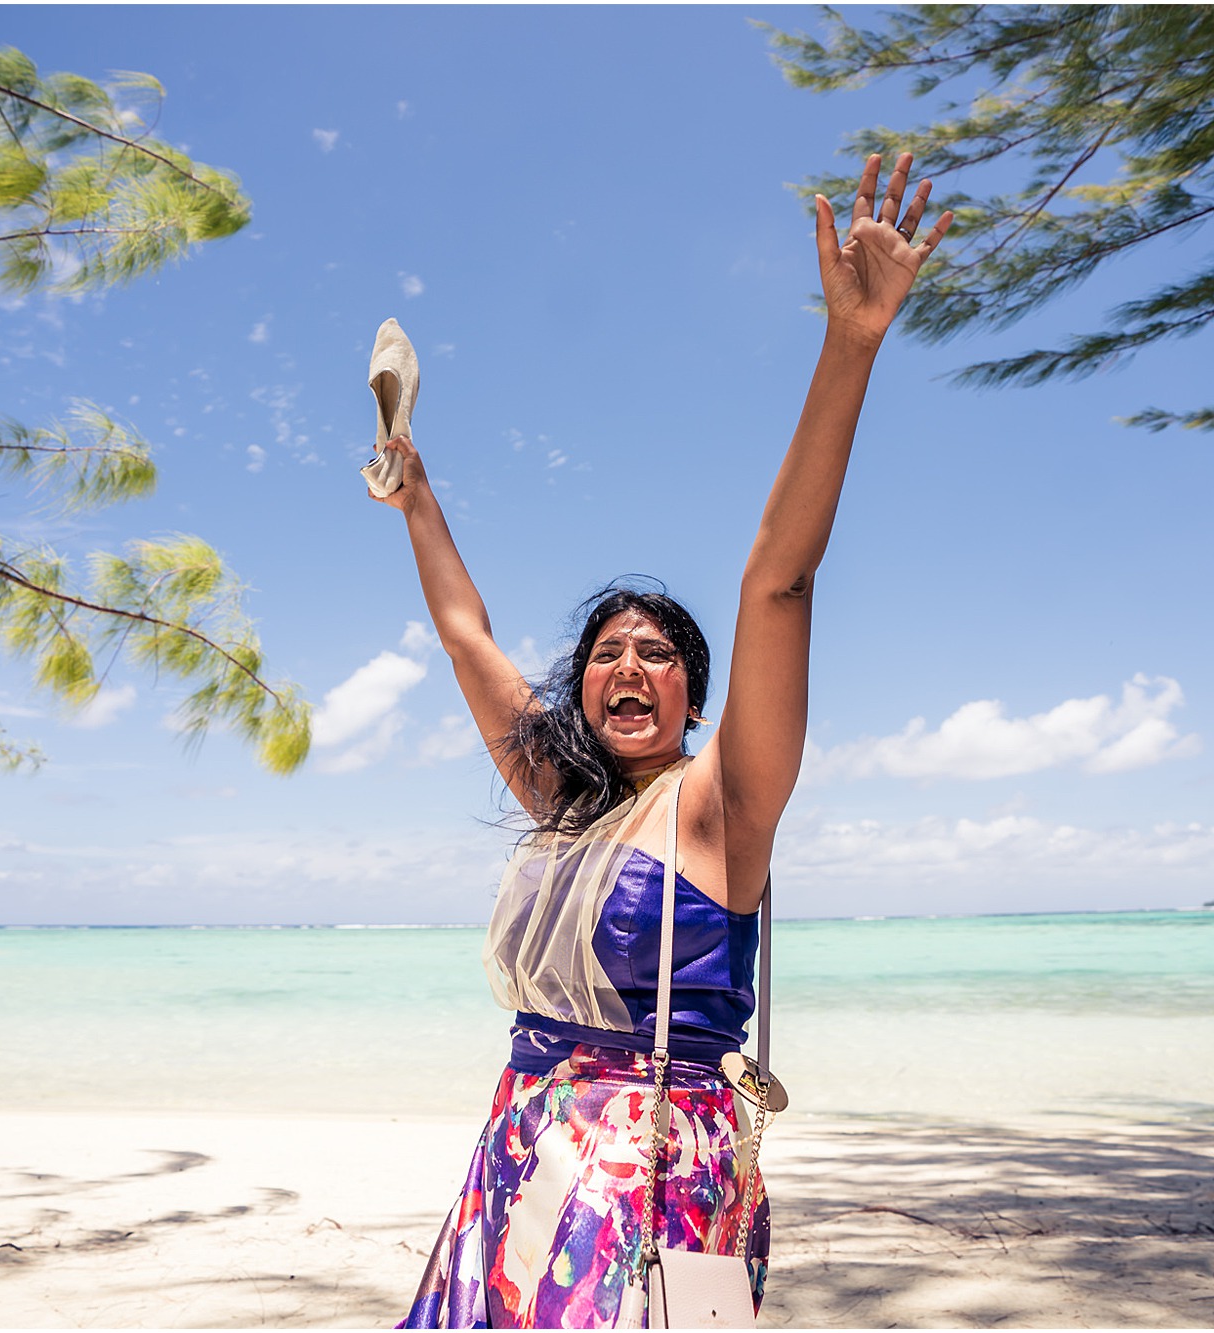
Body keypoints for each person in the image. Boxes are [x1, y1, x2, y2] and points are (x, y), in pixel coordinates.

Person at [383, 154, 952, 1329]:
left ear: (694, 697)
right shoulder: (557, 796)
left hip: (653, 1173)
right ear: (581, 690)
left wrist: (850, 342)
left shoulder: (719, 802)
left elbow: (779, 581)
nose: (628, 666)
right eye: (605, 653)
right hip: (521, 1143)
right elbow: (460, 632)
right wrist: (415, 489)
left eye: (657, 654)